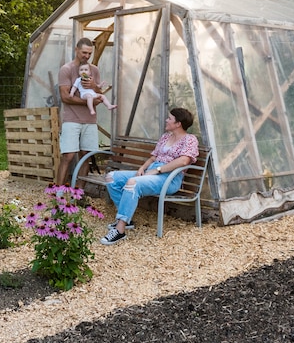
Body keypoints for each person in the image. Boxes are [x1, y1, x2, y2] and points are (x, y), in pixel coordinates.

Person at [100, 107, 199, 245]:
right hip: (152, 171)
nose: (166, 120)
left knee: (132, 183)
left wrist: (158, 170)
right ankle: (125, 218)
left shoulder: (190, 139)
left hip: (169, 178)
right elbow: (153, 158)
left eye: (169, 118)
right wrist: (142, 168)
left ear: (178, 124)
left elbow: (183, 161)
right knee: (111, 177)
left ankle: (120, 230)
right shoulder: (165, 137)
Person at [54, 38, 105, 189]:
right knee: (68, 156)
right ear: (76, 50)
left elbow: (99, 95)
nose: (86, 56)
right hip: (71, 119)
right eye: (84, 52)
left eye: (89, 53)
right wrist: (88, 101)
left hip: (90, 120)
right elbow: (65, 97)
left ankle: (79, 193)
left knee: (86, 156)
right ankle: (58, 194)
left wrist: (94, 86)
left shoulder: (94, 70)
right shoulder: (67, 69)